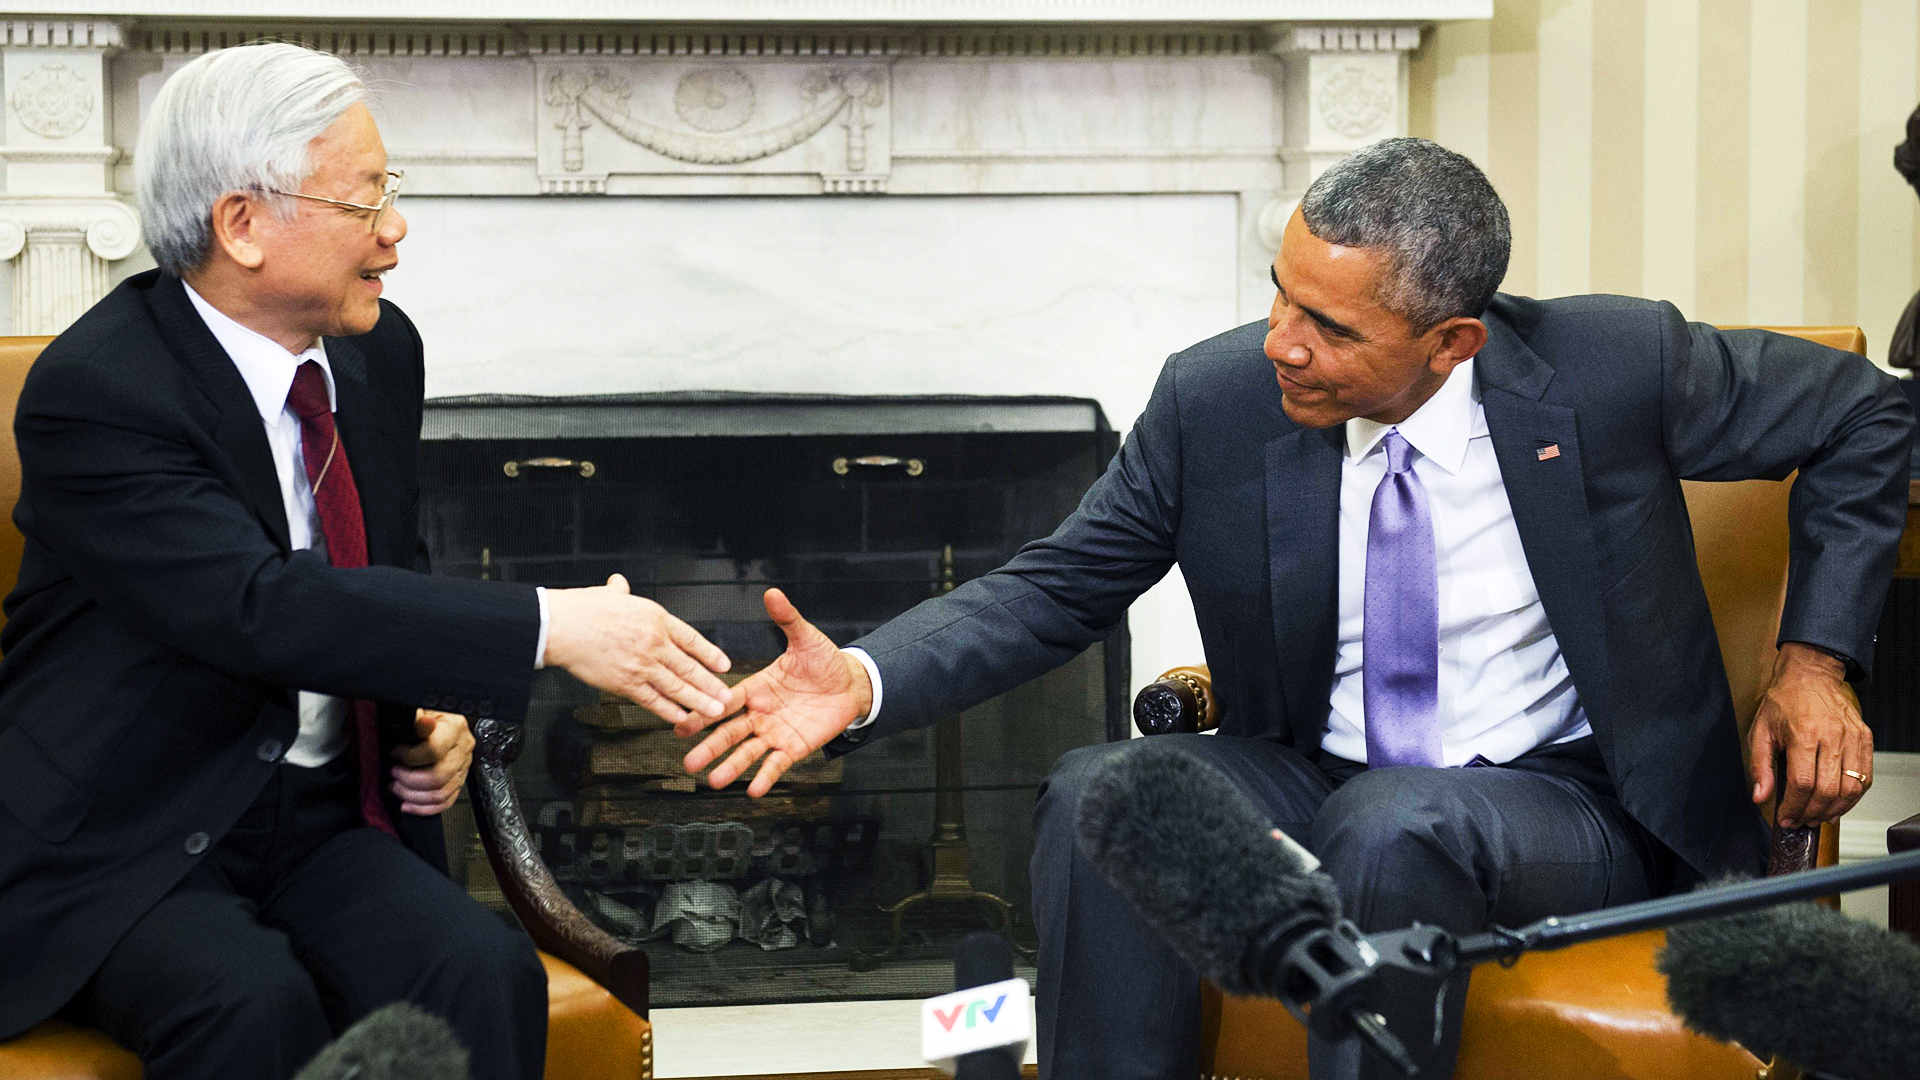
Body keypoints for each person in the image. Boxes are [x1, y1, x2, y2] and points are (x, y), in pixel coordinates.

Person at [673, 138, 1913, 1079]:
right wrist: (865, 679)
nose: (1281, 343)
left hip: (1575, 800)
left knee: (1396, 823)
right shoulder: (1215, 400)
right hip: (1315, 772)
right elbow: (1058, 585)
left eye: (1328, 324)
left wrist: (1814, 660)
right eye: (1280, 295)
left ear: (1454, 341)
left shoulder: (1613, 366)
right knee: (1109, 793)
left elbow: (1872, 410)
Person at [0, 43, 737, 1080]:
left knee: (483, 971)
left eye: (390, 190)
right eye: (364, 200)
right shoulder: (101, 392)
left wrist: (423, 709)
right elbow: (256, 605)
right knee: (252, 1006)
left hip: (315, 818)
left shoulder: (378, 354)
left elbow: (386, 567)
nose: (394, 229)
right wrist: (549, 626)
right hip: (128, 838)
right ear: (241, 224)